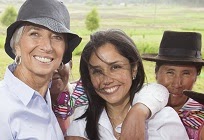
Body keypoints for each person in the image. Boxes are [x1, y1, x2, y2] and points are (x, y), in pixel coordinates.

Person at [65, 29, 188, 140]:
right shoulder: (81, 122)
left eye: (115, 67)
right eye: (97, 71)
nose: (106, 80)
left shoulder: (163, 121)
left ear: (134, 68)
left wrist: (138, 113)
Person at [0, 0, 81, 139]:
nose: (47, 46)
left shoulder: (45, 96)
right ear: (17, 45)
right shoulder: (3, 108)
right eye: (35, 34)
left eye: (57, 37)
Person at [141, 30, 204, 140]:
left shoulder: (200, 119)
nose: (177, 83)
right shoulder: (138, 104)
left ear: (196, 77)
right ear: (156, 73)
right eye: (170, 72)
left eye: (186, 73)